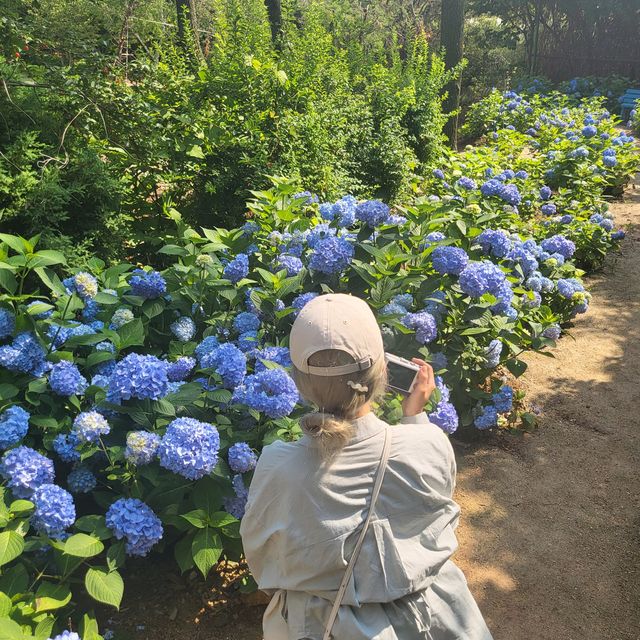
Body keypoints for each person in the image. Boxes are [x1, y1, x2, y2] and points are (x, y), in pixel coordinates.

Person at [240, 293, 493, 640]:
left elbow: (263, 557)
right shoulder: (426, 443)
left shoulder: (278, 465)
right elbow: (428, 512)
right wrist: (415, 417)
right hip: (426, 619)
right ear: (382, 371)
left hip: (317, 624)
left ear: (299, 382)